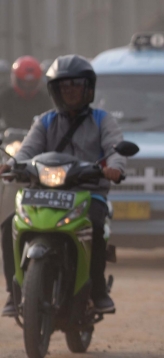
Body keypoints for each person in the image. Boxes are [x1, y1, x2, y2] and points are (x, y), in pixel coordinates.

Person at [1, 54, 125, 317]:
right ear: (54, 91)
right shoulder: (44, 121)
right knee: (9, 224)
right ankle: (14, 293)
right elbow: (26, 152)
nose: (70, 92)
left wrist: (115, 168)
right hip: (45, 192)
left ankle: (98, 290)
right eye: (63, 87)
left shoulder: (103, 120)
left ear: (88, 89)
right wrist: (11, 166)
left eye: (75, 86)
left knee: (95, 224)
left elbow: (115, 149)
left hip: (89, 193)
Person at [0, 56, 52, 130]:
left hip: (37, 139)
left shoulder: (44, 99)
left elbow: (50, 122)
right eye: (23, 82)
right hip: (9, 139)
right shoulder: (5, 97)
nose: (27, 86)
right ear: (16, 79)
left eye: (31, 83)